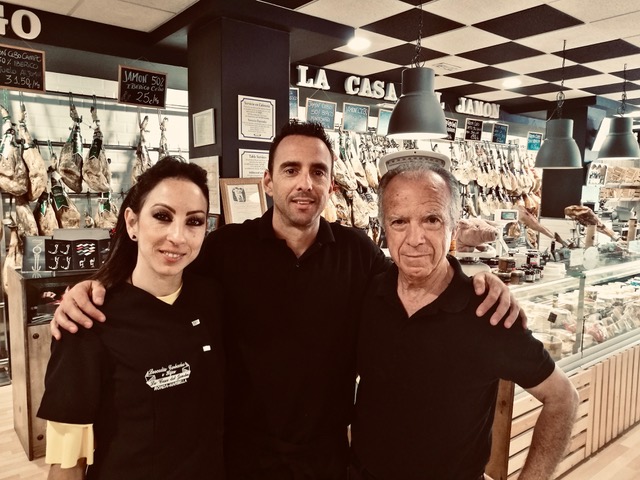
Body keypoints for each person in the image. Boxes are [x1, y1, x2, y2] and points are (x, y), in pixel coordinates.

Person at [52, 121, 522, 480]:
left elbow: (416, 282)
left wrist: (476, 278)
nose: (305, 183)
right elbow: (159, 270)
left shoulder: (357, 251)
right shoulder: (226, 249)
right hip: (237, 456)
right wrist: (93, 287)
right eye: (291, 170)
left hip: (328, 456)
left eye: (318, 171)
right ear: (268, 183)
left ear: (331, 185)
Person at [350, 162, 579, 480]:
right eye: (400, 221)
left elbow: (562, 397)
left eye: (431, 219)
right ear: (384, 228)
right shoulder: (366, 295)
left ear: (454, 226)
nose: (415, 238)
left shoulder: (488, 311)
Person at [37, 157, 224, 480]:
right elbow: (66, 464)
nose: (178, 236)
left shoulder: (213, 300)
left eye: (194, 222)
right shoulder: (88, 320)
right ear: (132, 223)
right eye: (162, 217)